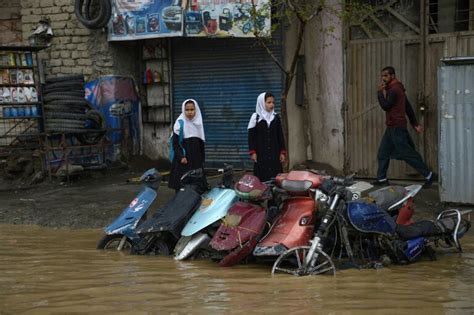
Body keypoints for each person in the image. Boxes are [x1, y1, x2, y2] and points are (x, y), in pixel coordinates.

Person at [373, 66, 436, 188]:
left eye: (386, 76)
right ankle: (381, 179)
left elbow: (386, 106)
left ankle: (429, 175)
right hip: (392, 127)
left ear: (393, 76)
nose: (383, 78)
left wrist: (380, 93)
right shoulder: (397, 88)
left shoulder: (394, 90)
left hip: (397, 127)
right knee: (383, 153)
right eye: (382, 76)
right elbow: (407, 107)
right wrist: (415, 124)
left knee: (407, 154)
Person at [248, 92, 287, 182]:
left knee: (276, 176)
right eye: (269, 102)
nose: (272, 105)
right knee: (261, 177)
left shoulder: (276, 117)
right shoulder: (255, 118)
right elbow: (251, 137)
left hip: (274, 152)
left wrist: (282, 152)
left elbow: (280, 135)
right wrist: (253, 152)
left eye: (273, 102)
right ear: (262, 103)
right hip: (261, 153)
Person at [168, 99, 206, 191]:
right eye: (187, 110)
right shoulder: (179, 124)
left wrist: (202, 159)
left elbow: (201, 143)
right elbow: (175, 144)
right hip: (183, 160)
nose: (189, 112)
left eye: (192, 110)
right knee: (181, 185)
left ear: (196, 110)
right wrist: (181, 157)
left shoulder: (198, 123)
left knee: (197, 186)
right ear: (183, 110)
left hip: (196, 160)